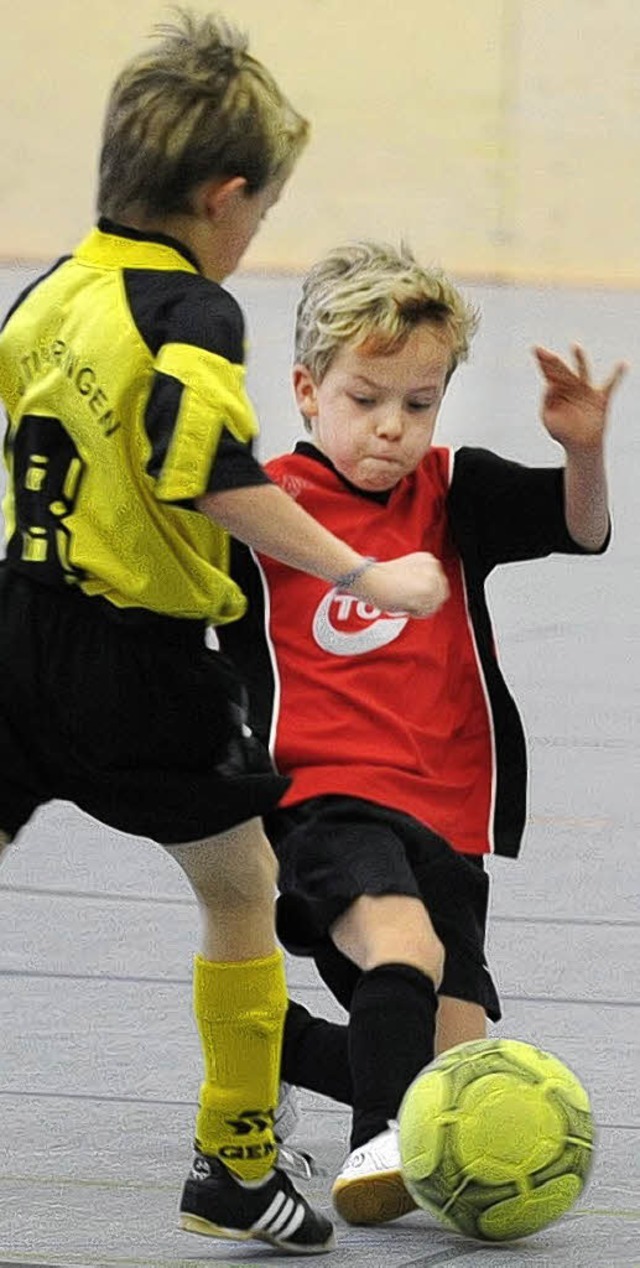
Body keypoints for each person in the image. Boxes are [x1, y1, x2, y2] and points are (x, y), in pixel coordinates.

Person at [0, 20, 450, 1254]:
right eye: (259, 215)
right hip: (138, 657)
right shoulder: (185, 308)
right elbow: (200, 464)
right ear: (226, 196)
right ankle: (237, 1160)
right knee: (241, 880)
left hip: (17, 619)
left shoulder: (54, 286)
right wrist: (363, 565)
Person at [220, 239, 626, 1225]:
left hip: (447, 809)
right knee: (404, 947)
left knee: (453, 1072)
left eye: (419, 401)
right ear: (308, 389)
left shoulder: (452, 490)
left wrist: (582, 450)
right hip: (322, 797)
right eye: (367, 399)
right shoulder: (260, 513)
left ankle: (266, 1041)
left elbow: (581, 529)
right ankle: (374, 1150)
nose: (393, 426)